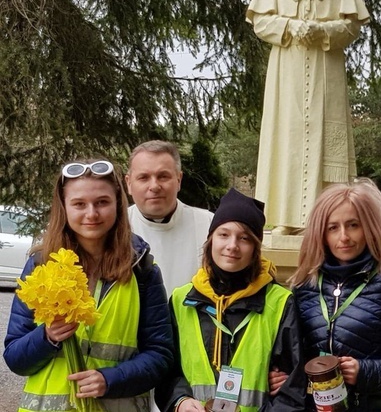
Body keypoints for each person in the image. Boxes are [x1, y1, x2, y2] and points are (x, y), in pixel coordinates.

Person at [3, 159, 174, 411]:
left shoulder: (142, 270)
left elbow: (160, 356)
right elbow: (15, 359)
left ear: (118, 204)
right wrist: (47, 337)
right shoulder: (40, 266)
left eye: (102, 202)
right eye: (79, 204)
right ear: (64, 207)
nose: (91, 213)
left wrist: (109, 380)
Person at [246, 0, 370, 236]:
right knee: (285, 139)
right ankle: (284, 217)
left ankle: (323, 219)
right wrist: (288, 26)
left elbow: (352, 26)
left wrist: (322, 31)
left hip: (327, 74)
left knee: (325, 141)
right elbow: (260, 22)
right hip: (285, 73)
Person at [289, 179, 381, 411]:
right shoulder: (304, 287)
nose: (344, 236)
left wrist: (365, 371)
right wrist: (282, 376)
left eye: (353, 225)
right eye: (333, 227)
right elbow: (293, 356)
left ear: (369, 227)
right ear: (321, 233)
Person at [155, 188, 307, 412]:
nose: (232, 245)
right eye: (223, 234)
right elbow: (166, 369)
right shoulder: (181, 300)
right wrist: (180, 400)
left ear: (255, 248)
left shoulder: (280, 303)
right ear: (210, 240)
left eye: (244, 238)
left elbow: (292, 389)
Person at [126, 140, 214, 294]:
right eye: (143, 178)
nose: (154, 186)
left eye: (163, 176)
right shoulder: (116, 227)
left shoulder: (209, 225)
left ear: (179, 180)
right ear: (128, 183)